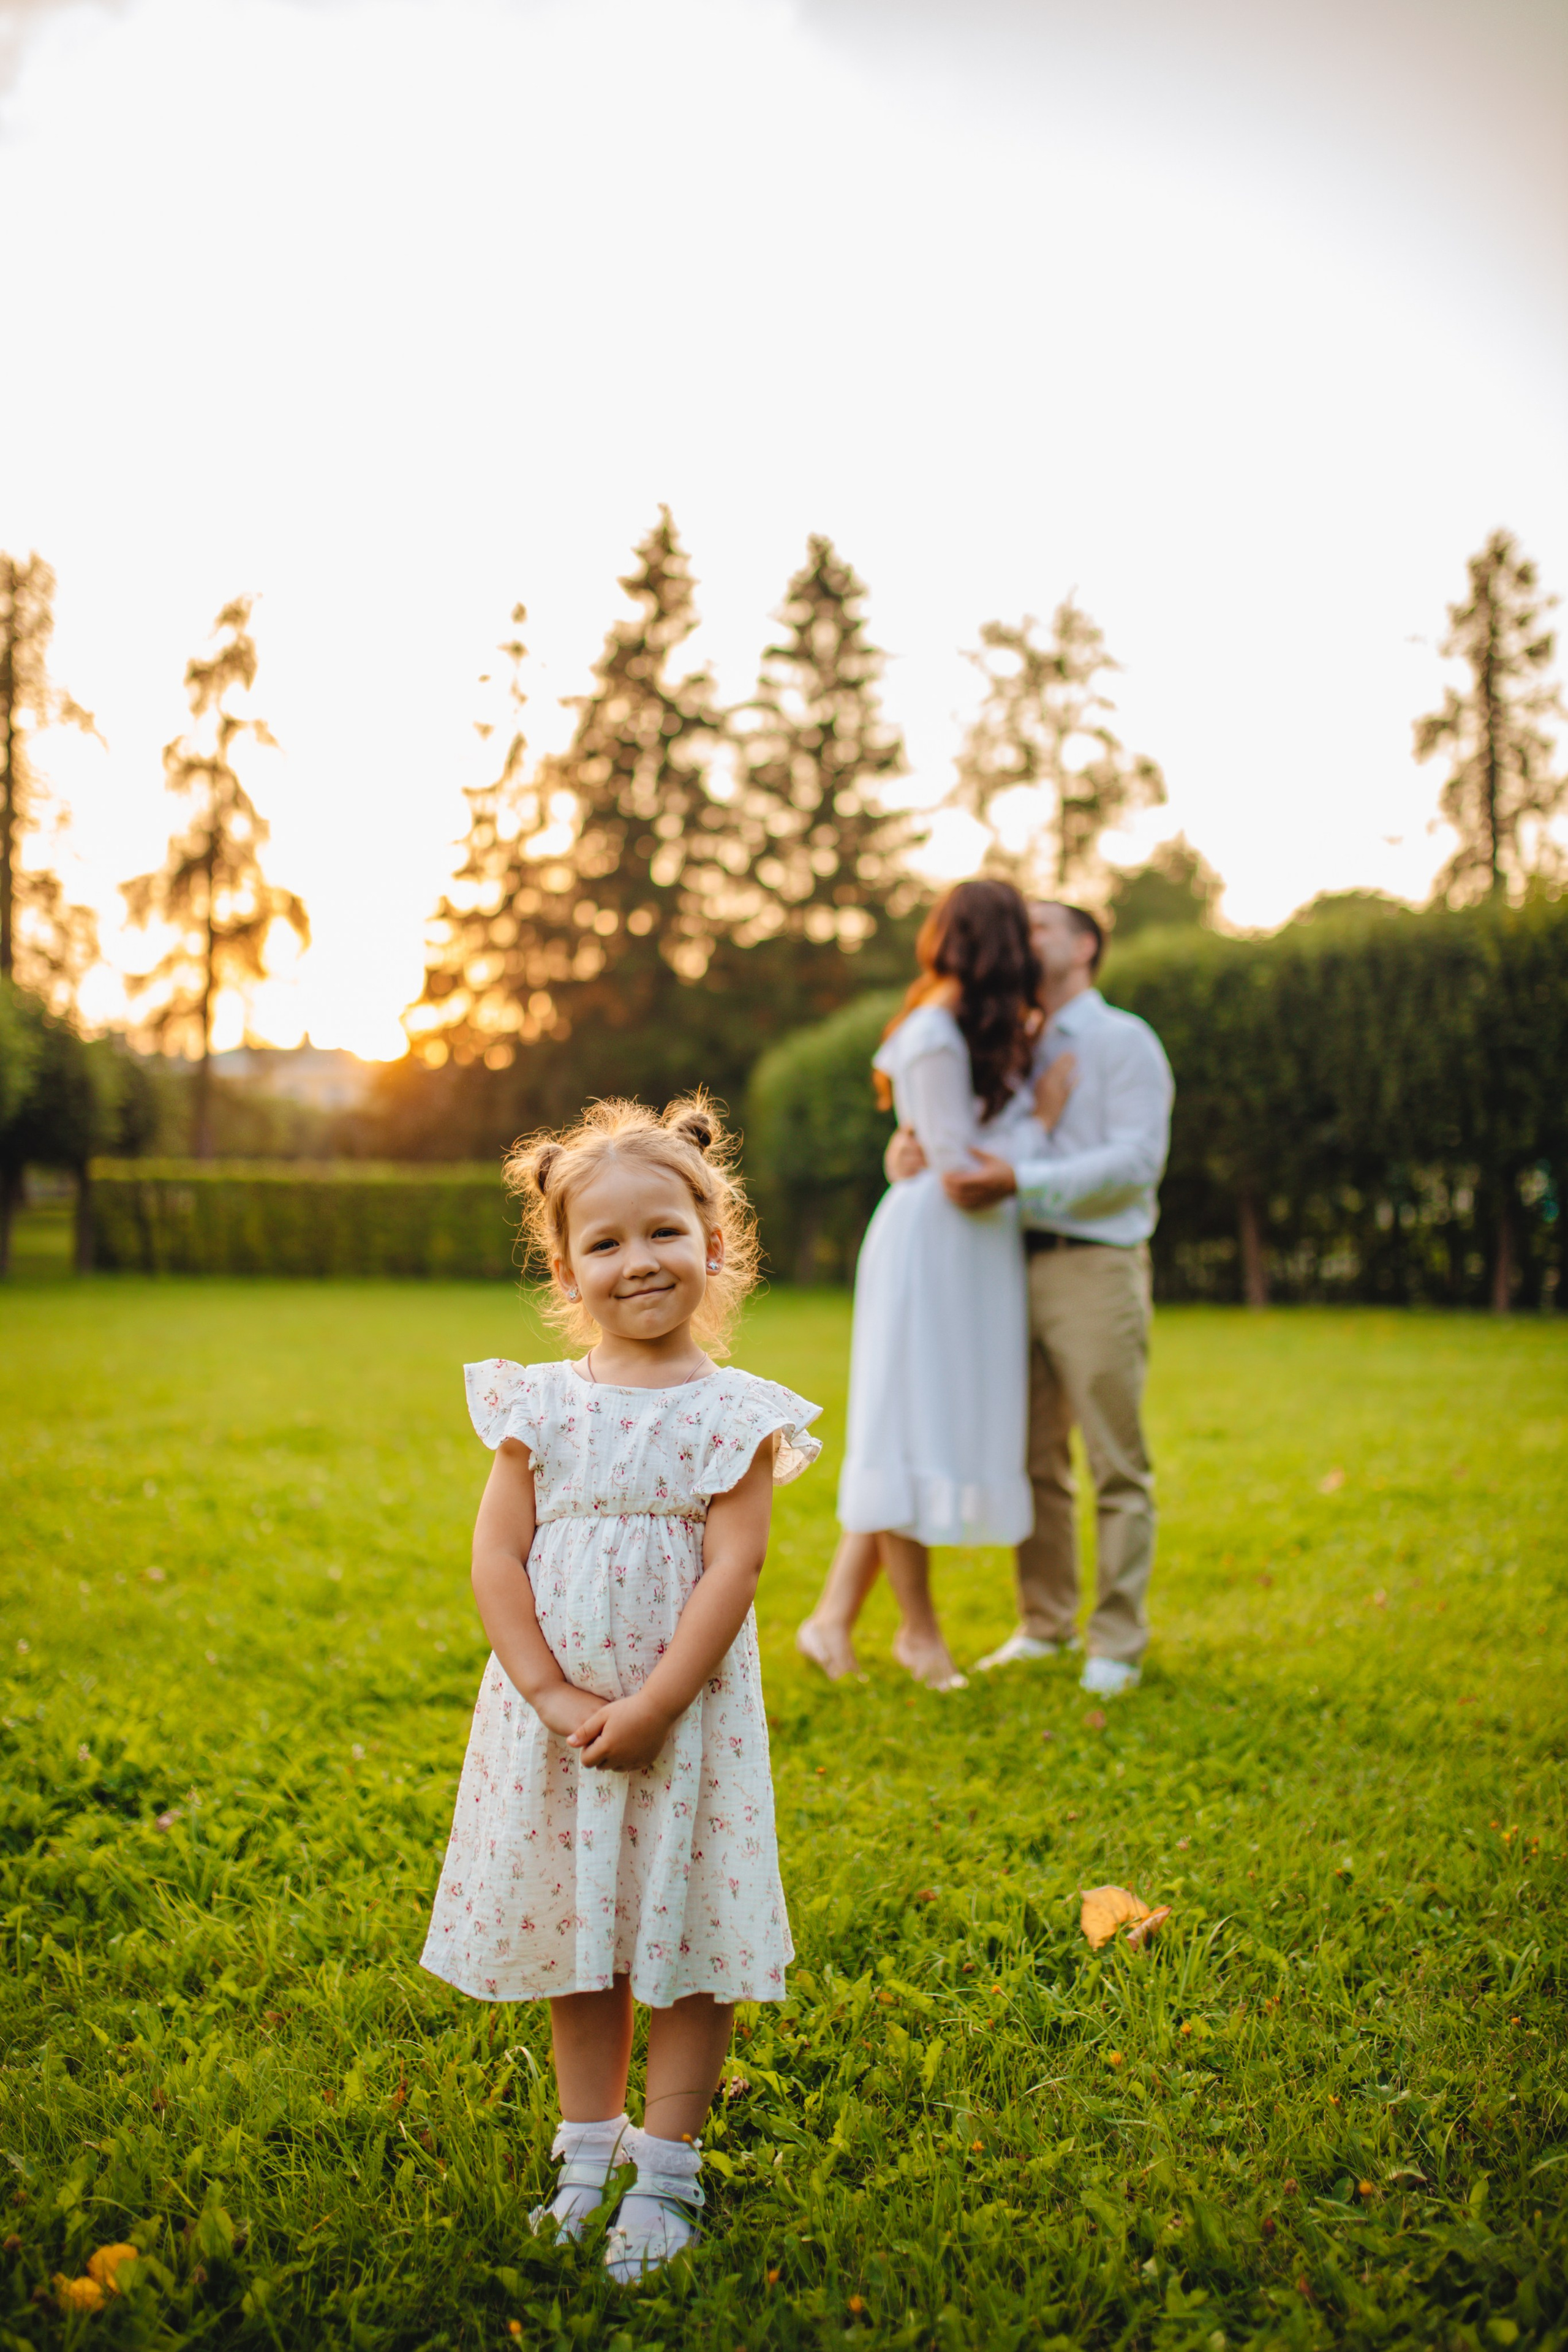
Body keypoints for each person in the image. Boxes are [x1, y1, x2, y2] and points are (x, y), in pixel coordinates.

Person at [420, 1095, 821, 2283]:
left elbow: (732, 1569)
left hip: (678, 1724)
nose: (637, 1261)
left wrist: (650, 1706)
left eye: (663, 1233)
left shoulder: (735, 1418)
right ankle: (585, 2149)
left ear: (714, 1242)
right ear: (562, 1265)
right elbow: (495, 1555)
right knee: (579, 1932)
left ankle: (666, 2174)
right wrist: (548, 1692)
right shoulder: (535, 1406)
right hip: (553, 1728)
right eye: (604, 1243)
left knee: (682, 1934)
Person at [901, 900, 1174, 1697]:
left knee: (1114, 1457)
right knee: (1035, 1455)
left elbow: (1136, 1162)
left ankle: (1117, 1639)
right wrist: (909, 1146)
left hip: (1094, 1265)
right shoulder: (1004, 1042)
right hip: (1007, 1263)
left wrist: (1024, 1179)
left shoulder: (1125, 1040)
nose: (1026, 936)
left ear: (1086, 946)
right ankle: (1046, 1624)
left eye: (1044, 924)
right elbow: (962, 1144)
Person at [794, 878, 1046, 1694]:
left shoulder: (966, 1028)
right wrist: (1047, 1116)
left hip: (967, 1250)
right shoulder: (938, 1031)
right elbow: (956, 1165)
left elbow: (940, 1144)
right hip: (935, 1245)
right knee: (906, 1430)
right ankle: (919, 1634)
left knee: (915, 1431)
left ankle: (831, 1621)